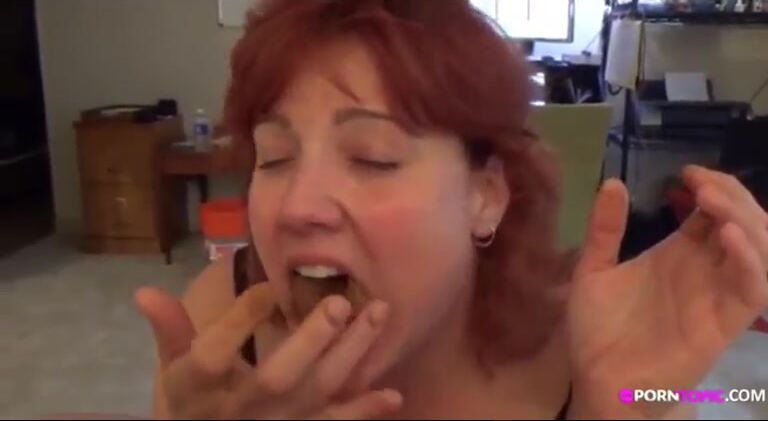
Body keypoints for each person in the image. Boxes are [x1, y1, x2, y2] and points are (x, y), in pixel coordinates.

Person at [134, 0, 768, 419]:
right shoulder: (220, 334)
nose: (298, 207)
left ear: (484, 196)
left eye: (373, 158)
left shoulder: (597, 348)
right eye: (273, 158)